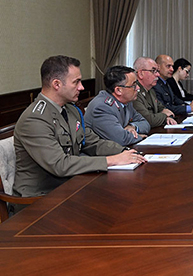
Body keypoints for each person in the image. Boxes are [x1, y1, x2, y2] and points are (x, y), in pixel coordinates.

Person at [13, 56, 146, 204]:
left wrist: (126, 152)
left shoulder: (71, 110)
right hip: (40, 200)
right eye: (76, 82)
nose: (82, 87)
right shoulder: (35, 119)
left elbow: (92, 142)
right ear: (56, 84)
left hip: (72, 186)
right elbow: (60, 165)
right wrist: (111, 161)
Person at [85, 65, 150, 146]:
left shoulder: (126, 102)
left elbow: (145, 124)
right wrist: (139, 136)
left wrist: (132, 126)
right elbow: (120, 139)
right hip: (103, 155)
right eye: (133, 85)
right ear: (118, 90)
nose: (138, 88)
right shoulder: (102, 107)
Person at [132, 57, 178, 128]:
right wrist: (165, 116)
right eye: (153, 71)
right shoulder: (134, 92)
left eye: (157, 71)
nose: (158, 75)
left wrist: (166, 117)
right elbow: (149, 120)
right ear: (141, 74)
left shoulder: (151, 90)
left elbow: (162, 108)